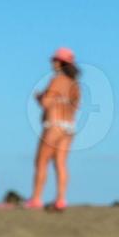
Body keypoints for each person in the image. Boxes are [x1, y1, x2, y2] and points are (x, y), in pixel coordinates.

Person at [25, 48, 80, 211]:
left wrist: (39, 97)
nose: (52, 63)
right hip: (69, 127)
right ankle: (61, 199)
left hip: (54, 125)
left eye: (54, 60)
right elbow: (75, 107)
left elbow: (46, 104)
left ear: (60, 62)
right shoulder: (75, 84)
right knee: (61, 163)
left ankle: (36, 198)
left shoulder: (57, 80)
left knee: (41, 161)